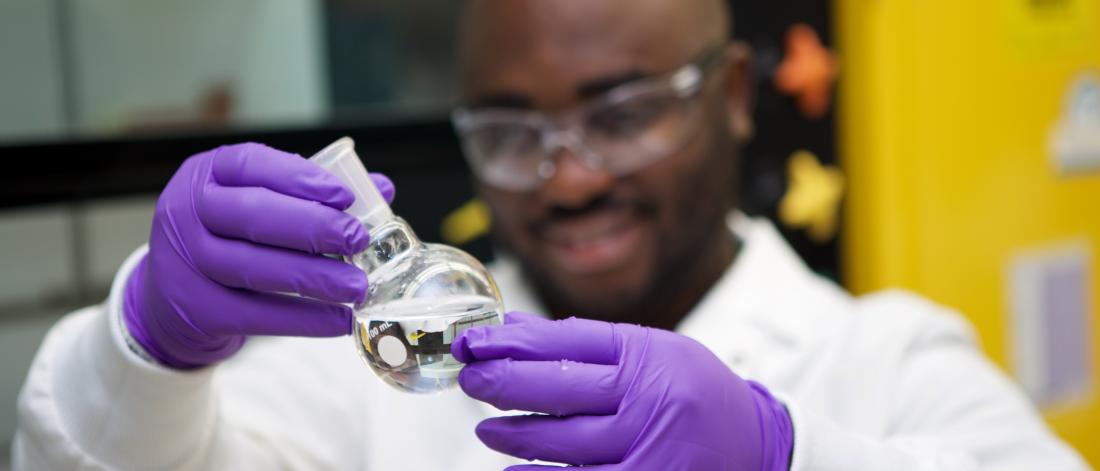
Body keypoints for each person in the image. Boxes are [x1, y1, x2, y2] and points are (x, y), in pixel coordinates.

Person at [13, 0, 1089, 469]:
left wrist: (784, 455)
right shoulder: (367, 381)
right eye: (511, 131)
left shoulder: (883, 358)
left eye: (621, 114)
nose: (564, 179)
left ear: (730, 96)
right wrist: (146, 346)